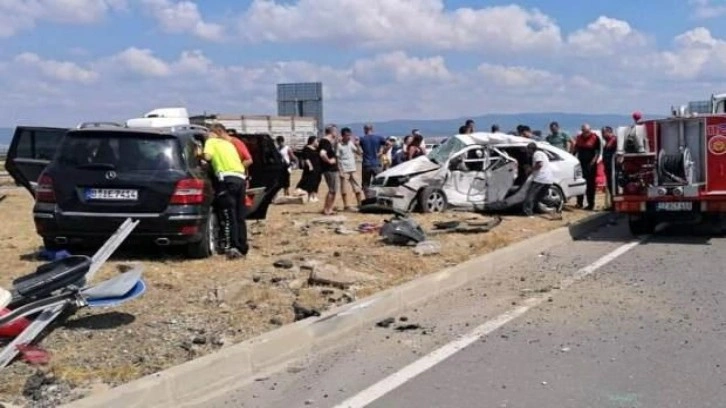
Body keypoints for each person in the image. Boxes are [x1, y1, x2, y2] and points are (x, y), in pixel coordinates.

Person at [198, 125, 248, 259]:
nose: (207, 136)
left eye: (208, 134)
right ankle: (242, 246)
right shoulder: (228, 144)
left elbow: (207, 157)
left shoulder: (211, 142)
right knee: (239, 215)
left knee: (228, 214)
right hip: (240, 178)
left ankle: (232, 247)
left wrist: (199, 154)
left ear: (214, 133)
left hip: (226, 179)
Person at [523, 142, 558, 217]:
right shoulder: (541, 153)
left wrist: (530, 170)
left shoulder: (537, 154)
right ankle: (536, 210)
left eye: (528, 150)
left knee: (530, 195)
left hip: (540, 178)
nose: (527, 152)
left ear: (531, 149)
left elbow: (539, 164)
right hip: (547, 179)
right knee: (538, 196)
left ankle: (528, 212)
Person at [573, 123, 601, 210]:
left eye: (588, 132)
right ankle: (579, 202)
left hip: (590, 164)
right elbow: (576, 149)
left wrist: (593, 162)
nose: (586, 133)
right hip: (580, 163)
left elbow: (597, 152)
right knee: (579, 182)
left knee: (590, 185)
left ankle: (590, 204)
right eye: (584, 132)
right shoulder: (579, 138)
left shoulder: (595, 138)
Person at [337, 127, 364, 211]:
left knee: (357, 188)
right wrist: (340, 170)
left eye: (350, 135)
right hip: (344, 169)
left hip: (353, 169)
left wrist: (357, 144)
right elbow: (337, 158)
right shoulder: (339, 145)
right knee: (344, 189)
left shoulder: (351, 143)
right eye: (347, 135)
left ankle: (360, 204)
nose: (349, 137)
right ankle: (346, 206)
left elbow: (359, 153)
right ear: (343, 136)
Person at [358, 124, 389, 192]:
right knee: (380, 183)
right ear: (372, 129)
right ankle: (378, 197)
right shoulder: (378, 138)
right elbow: (389, 144)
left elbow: (357, 146)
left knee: (366, 184)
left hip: (366, 164)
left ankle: (368, 198)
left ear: (365, 130)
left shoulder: (362, 139)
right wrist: (383, 152)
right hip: (376, 163)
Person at [319, 126, 339, 215]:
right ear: (332, 132)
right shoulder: (325, 141)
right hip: (330, 169)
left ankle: (329, 208)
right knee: (332, 190)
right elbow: (322, 153)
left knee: (333, 190)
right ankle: (327, 209)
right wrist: (329, 161)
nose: (337, 133)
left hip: (331, 169)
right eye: (336, 131)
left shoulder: (328, 142)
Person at [296, 136, 322, 202]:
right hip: (310, 168)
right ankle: (309, 195)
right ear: (313, 141)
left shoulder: (317, 149)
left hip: (317, 168)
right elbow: (306, 158)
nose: (317, 142)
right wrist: (310, 166)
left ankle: (314, 195)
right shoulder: (306, 148)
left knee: (316, 181)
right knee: (310, 181)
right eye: (316, 141)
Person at [602, 126, 617, 209]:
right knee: (610, 186)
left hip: (613, 168)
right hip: (608, 167)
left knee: (613, 186)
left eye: (604, 133)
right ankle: (612, 204)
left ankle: (614, 204)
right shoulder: (607, 142)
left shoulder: (614, 140)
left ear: (609, 132)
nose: (603, 135)